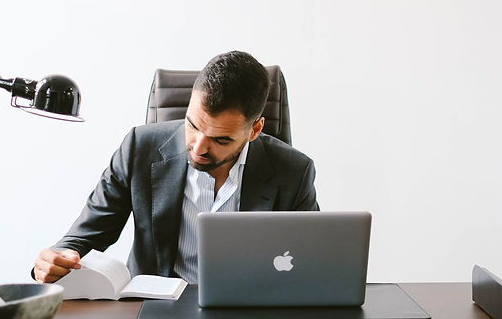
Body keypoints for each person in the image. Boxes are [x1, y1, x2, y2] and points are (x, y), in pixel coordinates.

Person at [32, 50, 319, 284]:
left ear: (254, 130)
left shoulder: (294, 171)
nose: (199, 147)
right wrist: (57, 257)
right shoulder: (138, 147)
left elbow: (313, 260)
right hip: (157, 310)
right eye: (193, 125)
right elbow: (86, 235)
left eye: (220, 139)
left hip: (249, 311)